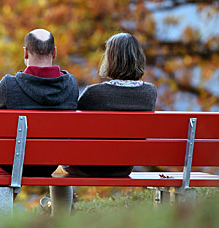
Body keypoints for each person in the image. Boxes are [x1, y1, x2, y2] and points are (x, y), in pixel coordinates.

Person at [0, 28, 80, 214]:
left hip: (11, 166)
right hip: (49, 165)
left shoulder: (9, 85)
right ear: (54, 53)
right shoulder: (70, 85)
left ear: (25, 52)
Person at [62, 32, 157, 177]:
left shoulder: (95, 93)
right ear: (138, 58)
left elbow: (72, 129)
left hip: (88, 166)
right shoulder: (149, 92)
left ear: (110, 60)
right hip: (123, 168)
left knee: (59, 166)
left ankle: (59, 201)